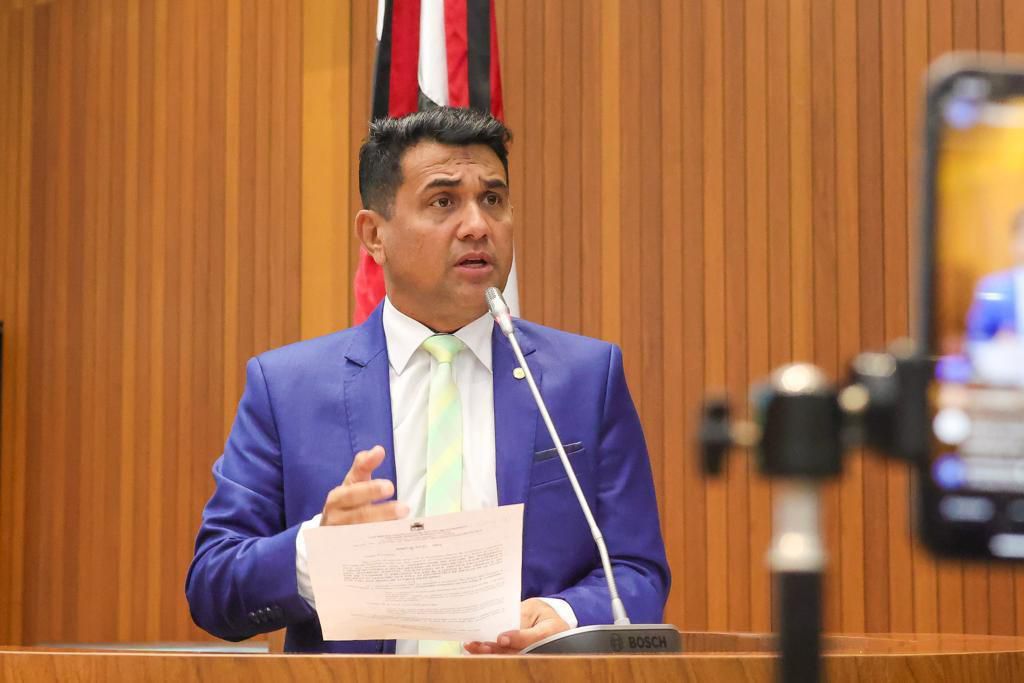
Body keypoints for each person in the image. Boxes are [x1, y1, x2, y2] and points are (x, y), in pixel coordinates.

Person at [185, 107, 670, 654]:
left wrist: (564, 614)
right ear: (374, 235)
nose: (477, 226)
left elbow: (637, 570)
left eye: (493, 199)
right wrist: (315, 552)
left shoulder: (584, 378)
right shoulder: (285, 388)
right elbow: (212, 585)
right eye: (443, 202)